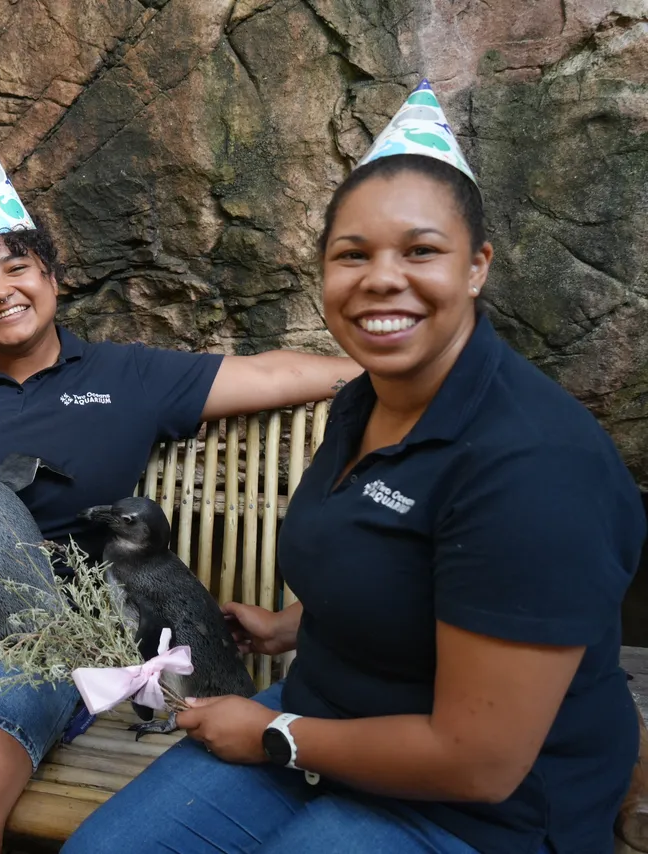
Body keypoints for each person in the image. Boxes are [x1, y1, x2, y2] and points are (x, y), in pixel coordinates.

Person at [60, 80, 646, 854]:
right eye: (353, 254)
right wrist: (292, 625)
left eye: (421, 250)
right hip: (320, 725)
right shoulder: (362, 403)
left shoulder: (534, 464)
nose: (381, 277)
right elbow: (406, 578)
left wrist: (273, 733)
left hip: (470, 808)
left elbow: (479, 763)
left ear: (477, 266)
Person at [0, 115, 362, 854]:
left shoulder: (128, 375)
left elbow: (275, 373)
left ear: (52, 276)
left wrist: (415, 365)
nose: (0, 291)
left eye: (17, 268)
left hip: (34, 616)